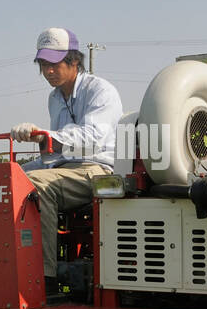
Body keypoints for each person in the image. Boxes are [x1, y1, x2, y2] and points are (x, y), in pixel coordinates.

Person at [12, 28, 123, 291]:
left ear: (74, 61)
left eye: (54, 64)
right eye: (43, 64)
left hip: (98, 170)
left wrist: (44, 136)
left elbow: (92, 138)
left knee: (37, 185)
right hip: (65, 168)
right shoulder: (54, 98)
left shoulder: (100, 90)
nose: (48, 71)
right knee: (11, 179)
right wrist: (15, 169)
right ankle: (10, 267)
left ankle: (44, 278)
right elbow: (56, 153)